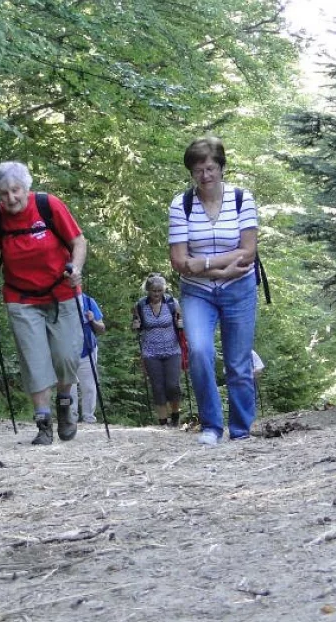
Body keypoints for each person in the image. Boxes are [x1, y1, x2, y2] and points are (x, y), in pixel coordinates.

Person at [0, 161, 87, 446]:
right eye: (3, 193)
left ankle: (64, 403)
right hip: (20, 297)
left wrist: (76, 268)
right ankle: (43, 422)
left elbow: (78, 241)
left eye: (15, 190)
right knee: (34, 360)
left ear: (26, 188)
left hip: (62, 291)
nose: (11, 198)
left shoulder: (49, 206)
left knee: (66, 356)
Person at [169, 136, 259, 446]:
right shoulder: (181, 204)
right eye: (198, 170)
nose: (205, 176)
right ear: (191, 173)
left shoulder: (241, 199)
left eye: (210, 168)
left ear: (221, 167)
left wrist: (204, 262)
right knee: (199, 351)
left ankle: (241, 429)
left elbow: (248, 252)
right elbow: (180, 261)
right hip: (197, 293)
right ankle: (210, 425)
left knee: (238, 361)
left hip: (239, 287)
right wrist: (219, 266)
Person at [131, 273, 184, 427]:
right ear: (148, 290)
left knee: (173, 385)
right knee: (157, 386)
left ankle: (175, 415)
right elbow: (136, 326)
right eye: (154, 291)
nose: (157, 294)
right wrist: (135, 326)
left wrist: (181, 324)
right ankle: (163, 421)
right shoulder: (140, 305)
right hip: (150, 351)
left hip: (172, 350)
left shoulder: (172, 303)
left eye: (159, 291)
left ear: (163, 290)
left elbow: (180, 320)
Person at [70, 293, 105, 424]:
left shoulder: (89, 301)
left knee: (89, 386)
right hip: (66, 350)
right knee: (69, 386)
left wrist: (92, 320)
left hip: (88, 348)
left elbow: (102, 328)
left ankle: (88, 418)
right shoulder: (59, 300)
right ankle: (70, 417)